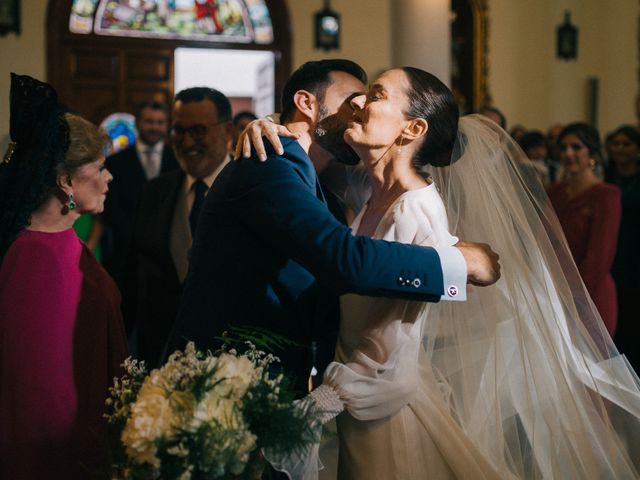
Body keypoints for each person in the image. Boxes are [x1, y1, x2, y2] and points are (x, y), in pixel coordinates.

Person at [262, 68, 640, 480]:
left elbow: (382, 354)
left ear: (412, 129)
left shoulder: (414, 210)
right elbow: (307, 144)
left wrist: (316, 408)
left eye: (375, 95)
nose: (358, 104)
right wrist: (263, 125)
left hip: (379, 413)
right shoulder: (373, 190)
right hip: (361, 405)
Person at [168, 59, 501, 397]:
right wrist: (457, 265)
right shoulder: (268, 165)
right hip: (220, 384)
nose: (360, 106)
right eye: (353, 97)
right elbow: (342, 258)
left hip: (288, 386)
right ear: (307, 104)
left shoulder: (328, 183)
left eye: (370, 98)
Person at [0, 73, 128, 479]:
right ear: (66, 180)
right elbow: (38, 392)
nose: (109, 179)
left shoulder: (62, 240)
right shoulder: (35, 258)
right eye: (100, 168)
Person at [124, 87, 233, 368]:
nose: (186, 142)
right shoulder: (153, 192)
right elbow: (134, 275)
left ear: (227, 131)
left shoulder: (251, 190)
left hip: (232, 358)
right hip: (159, 354)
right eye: (179, 131)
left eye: (198, 131)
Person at [548, 123, 621, 335]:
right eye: (563, 148)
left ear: (591, 152)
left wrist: (575, 295)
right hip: (555, 291)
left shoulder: (606, 195)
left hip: (591, 296)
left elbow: (600, 256)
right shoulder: (555, 192)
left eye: (576, 147)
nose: (568, 153)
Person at [101, 100, 179, 282]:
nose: (155, 127)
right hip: (126, 253)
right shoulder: (116, 162)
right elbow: (111, 207)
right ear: (137, 123)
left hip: (169, 253)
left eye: (160, 122)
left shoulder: (177, 160)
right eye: (149, 121)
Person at [607, 125, 640, 371]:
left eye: (626, 144)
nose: (620, 148)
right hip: (612, 253)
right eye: (616, 143)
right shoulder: (605, 177)